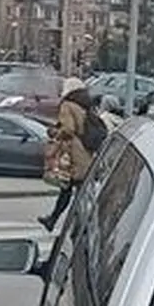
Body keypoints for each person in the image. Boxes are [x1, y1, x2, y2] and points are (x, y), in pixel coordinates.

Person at [42, 84, 104, 230]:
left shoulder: (68, 105)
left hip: (73, 153)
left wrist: (54, 132)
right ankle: (70, 221)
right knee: (77, 190)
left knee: (68, 188)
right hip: (85, 152)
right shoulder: (85, 104)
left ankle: (67, 222)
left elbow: (68, 129)